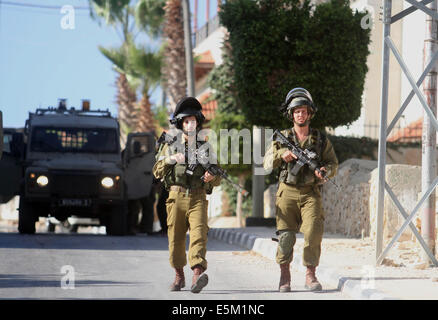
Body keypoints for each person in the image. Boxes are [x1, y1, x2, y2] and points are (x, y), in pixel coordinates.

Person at [263, 87, 338, 292]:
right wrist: (283, 155)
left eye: (304, 110)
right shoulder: (282, 138)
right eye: (296, 111)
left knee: (314, 230)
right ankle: (284, 276)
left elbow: (333, 163)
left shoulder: (320, 139)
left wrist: (325, 171)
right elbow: (267, 162)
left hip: (310, 193)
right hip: (287, 191)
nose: (300, 114)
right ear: (291, 115)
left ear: (310, 113)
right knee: (286, 235)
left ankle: (310, 274)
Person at [152, 96, 221, 293]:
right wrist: (171, 159)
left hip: (198, 197)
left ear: (198, 123)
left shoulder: (206, 148)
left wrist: (211, 177)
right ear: (181, 124)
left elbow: (217, 175)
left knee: (199, 236)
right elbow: (157, 171)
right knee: (175, 240)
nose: (191, 124)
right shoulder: (170, 145)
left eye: (194, 121)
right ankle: (179, 276)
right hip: (176, 197)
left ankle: (197, 275)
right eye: (187, 121)